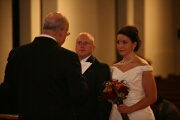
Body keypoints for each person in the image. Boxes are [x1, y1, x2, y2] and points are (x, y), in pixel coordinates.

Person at [0, 12, 89, 120]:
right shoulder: (68, 57)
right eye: (67, 32)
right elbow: (79, 95)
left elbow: (7, 91)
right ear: (62, 31)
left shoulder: (17, 54)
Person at [109, 25, 157, 120]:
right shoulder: (114, 68)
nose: (120, 46)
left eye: (125, 42)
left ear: (134, 44)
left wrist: (130, 109)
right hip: (117, 113)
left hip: (138, 113)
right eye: (118, 42)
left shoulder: (143, 66)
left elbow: (152, 97)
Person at [74, 32, 112, 120]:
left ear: (93, 48)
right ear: (75, 46)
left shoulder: (101, 68)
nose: (82, 46)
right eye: (79, 43)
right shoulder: (68, 65)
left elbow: (104, 100)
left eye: (86, 43)